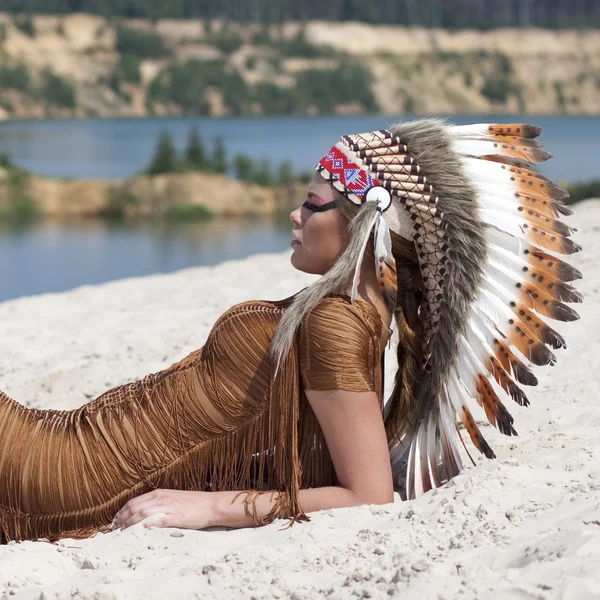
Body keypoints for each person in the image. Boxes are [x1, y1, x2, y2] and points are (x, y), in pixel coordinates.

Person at [0, 119, 581, 543]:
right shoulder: (344, 310)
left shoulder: (336, 320)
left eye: (313, 204)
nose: (295, 217)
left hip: (64, 478)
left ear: (364, 227)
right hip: (64, 448)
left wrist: (212, 507)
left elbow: (368, 495)